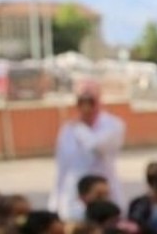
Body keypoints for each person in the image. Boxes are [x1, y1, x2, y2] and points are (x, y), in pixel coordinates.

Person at [49, 81, 126, 219]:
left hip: (104, 190)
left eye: (91, 102)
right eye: (81, 102)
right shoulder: (68, 129)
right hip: (76, 193)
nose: (86, 108)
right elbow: (62, 166)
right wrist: (55, 201)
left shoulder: (113, 124)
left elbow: (97, 146)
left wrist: (80, 128)